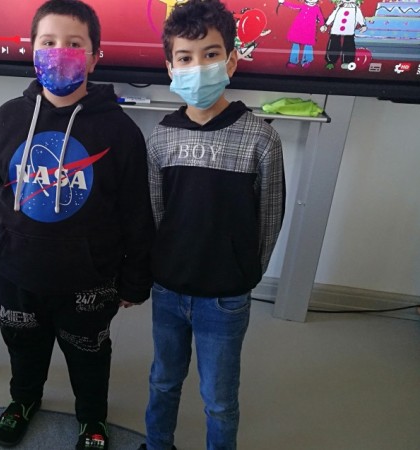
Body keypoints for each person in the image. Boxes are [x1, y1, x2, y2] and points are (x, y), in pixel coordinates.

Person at [0, 0, 154, 448]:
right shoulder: (5, 120)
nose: (60, 52)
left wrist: (136, 278)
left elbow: (136, 212)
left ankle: (92, 418)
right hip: (15, 272)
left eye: (74, 44)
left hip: (90, 280)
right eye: (48, 42)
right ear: (32, 51)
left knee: (89, 355)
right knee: (23, 347)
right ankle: (24, 400)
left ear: (95, 56)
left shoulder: (120, 132)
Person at [140, 1, 285, 449]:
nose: (197, 66)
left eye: (210, 54)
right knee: (163, 380)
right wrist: (163, 266)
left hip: (224, 297)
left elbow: (269, 216)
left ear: (231, 61)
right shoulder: (161, 136)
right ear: (170, 67)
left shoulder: (260, 137)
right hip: (168, 291)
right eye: (185, 57)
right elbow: (156, 212)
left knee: (219, 399)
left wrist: (244, 274)